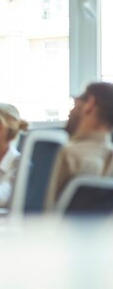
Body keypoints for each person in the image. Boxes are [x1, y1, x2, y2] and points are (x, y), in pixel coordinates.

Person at [45, 82, 113, 210]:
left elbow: (40, 214)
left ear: (90, 104)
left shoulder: (65, 155)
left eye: (75, 101)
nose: (71, 110)